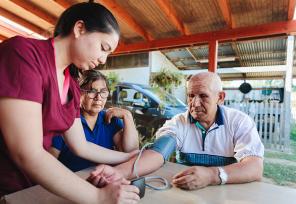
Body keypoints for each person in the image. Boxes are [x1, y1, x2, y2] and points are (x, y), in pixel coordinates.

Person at [0, 2, 140, 203]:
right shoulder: (23, 54)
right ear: (79, 28)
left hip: (30, 187)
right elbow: (27, 153)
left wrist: (129, 157)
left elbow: (82, 146)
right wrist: (98, 197)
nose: (103, 60)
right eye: (103, 48)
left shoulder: (71, 87)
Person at [87, 72, 264, 190]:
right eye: (190, 96)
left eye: (203, 96)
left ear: (220, 97)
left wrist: (211, 175)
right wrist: (118, 173)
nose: (194, 104)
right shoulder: (178, 123)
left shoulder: (239, 122)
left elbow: (254, 167)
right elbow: (157, 153)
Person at [49, 70, 139, 172]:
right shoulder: (68, 120)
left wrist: (128, 116)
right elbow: (49, 166)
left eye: (103, 92)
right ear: (79, 93)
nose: (98, 97)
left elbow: (131, 152)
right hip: (73, 182)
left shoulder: (110, 119)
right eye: (92, 91)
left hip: (103, 179)